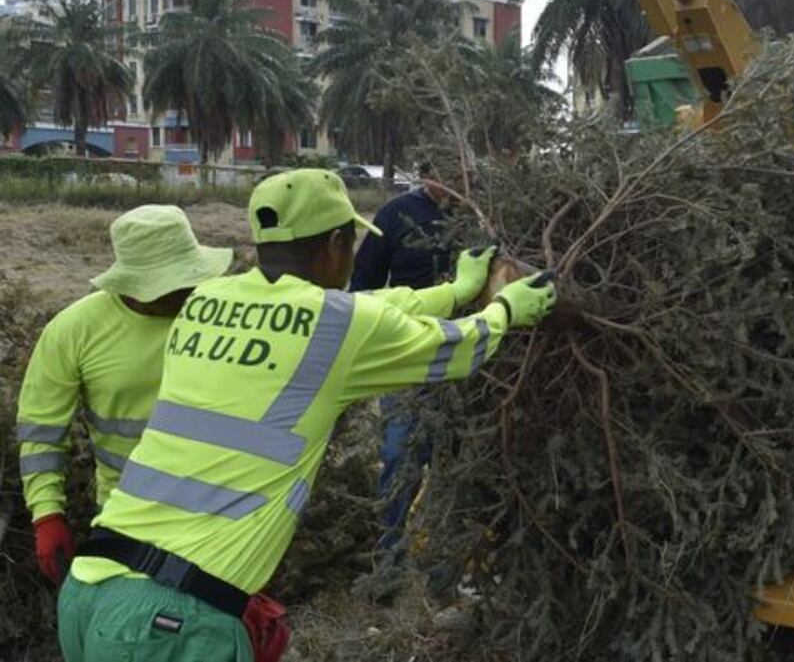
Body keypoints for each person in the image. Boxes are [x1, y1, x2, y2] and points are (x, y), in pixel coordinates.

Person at [58, 168, 556, 661]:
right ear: (336, 243)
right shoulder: (338, 327)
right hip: (169, 625)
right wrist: (505, 310)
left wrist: (454, 290)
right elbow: (457, 348)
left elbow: (363, 308)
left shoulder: (207, 299)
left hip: (91, 586)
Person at [17, 205, 233, 586]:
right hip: (126, 511)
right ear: (136, 283)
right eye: (176, 282)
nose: (189, 289)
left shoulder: (224, 314)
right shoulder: (73, 332)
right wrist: (47, 515)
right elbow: (42, 431)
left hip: (219, 510)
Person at [349, 173, 451, 544]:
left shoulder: (484, 213)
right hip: (410, 357)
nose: (455, 181)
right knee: (400, 454)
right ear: (426, 174)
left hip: (472, 353)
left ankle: (445, 552)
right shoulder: (397, 213)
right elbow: (363, 287)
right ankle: (389, 556)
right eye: (444, 173)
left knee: (456, 457)